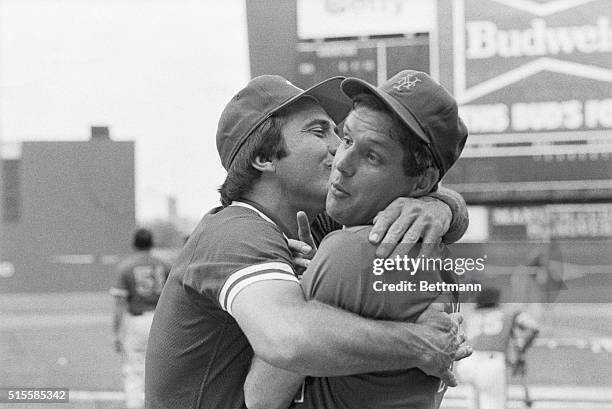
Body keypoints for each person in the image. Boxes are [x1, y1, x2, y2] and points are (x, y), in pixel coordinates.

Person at [145, 75, 471, 409]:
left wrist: (439, 205)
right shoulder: (234, 234)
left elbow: (436, 204)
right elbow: (287, 341)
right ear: (265, 158)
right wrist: (421, 344)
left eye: (337, 132)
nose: (336, 149)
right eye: (319, 132)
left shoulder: (324, 222)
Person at [244, 70, 469, 409]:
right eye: (347, 139)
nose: (342, 163)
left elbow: (260, 397)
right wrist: (443, 204)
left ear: (423, 182)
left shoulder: (351, 252)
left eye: (372, 156)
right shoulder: (437, 255)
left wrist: (316, 278)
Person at [110, 228, 171, 409]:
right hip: (161, 320)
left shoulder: (126, 267)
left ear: (134, 243)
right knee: (163, 371)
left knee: (135, 372)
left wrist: (115, 333)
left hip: (137, 320)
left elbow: (119, 303)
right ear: (152, 243)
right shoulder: (165, 265)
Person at [456, 286, 540, 409]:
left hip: (466, 362)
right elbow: (533, 327)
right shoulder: (508, 312)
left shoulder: (471, 314)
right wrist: (521, 346)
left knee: (473, 404)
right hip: (491, 364)